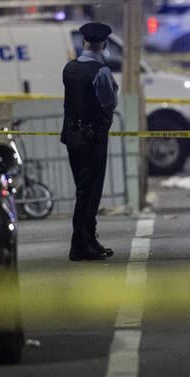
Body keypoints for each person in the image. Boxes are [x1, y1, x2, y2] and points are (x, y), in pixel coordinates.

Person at [61, 22, 118, 262]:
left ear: (84, 42)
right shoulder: (101, 71)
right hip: (93, 138)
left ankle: (88, 240)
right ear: (103, 44)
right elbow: (108, 103)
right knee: (90, 192)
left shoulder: (69, 68)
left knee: (83, 189)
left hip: (72, 136)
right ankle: (80, 244)